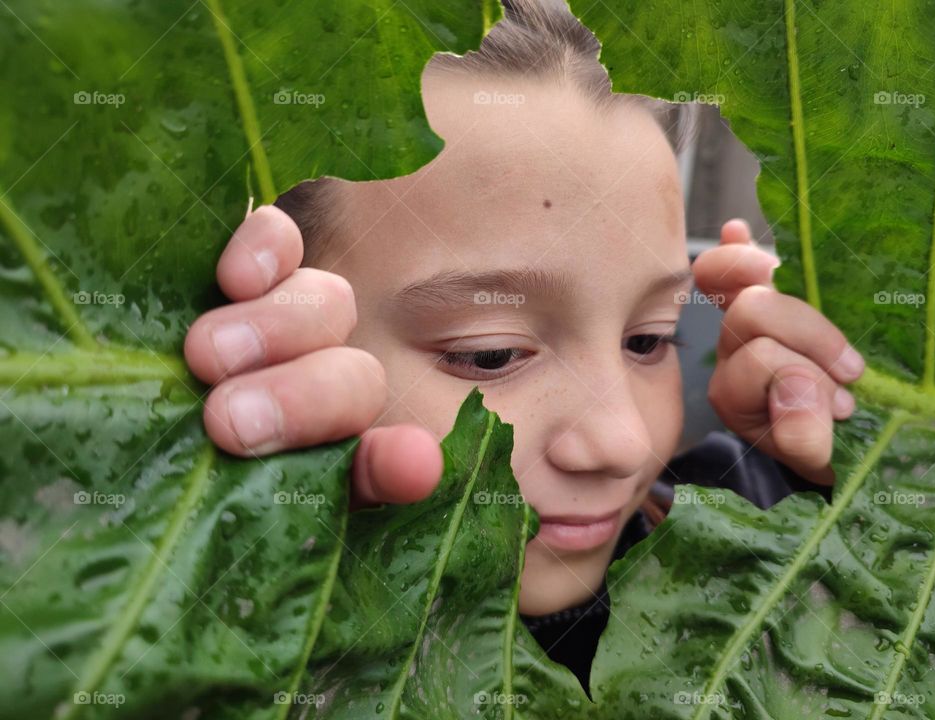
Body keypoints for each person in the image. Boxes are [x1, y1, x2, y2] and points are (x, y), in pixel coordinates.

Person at [183, 0, 863, 693]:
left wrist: (846, 474)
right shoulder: (206, 649)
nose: (624, 442)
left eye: (649, 339)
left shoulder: (741, 525)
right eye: (492, 355)